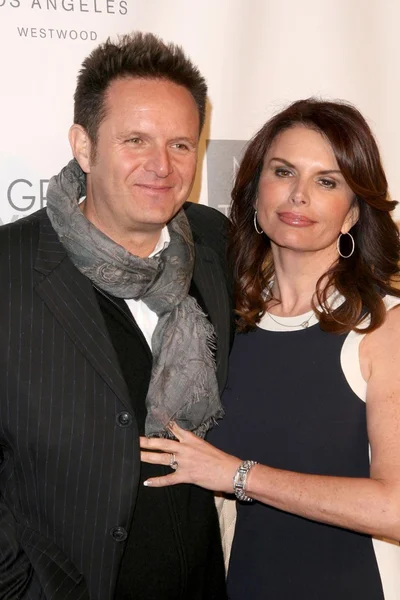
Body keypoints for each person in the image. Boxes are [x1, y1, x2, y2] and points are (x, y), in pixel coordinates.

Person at [0, 32, 233, 600]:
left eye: (181, 144)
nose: (162, 166)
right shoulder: (10, 271)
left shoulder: (216, 246)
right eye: (136, 140)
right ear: (84, 145)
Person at [140, 98, 400, 599]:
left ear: (351, 214)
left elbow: (394, 507)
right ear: (256, 189)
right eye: (284, 172)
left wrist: (238, 475)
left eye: (327, 181)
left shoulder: (383, 327)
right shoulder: (223, 319)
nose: (299, 195)